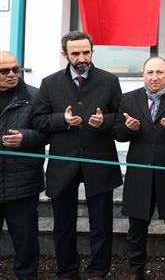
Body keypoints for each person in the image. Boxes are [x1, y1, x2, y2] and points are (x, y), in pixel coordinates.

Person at [32, 31, 123, 280]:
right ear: (65, 55)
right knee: (63, 225)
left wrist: (105, 120)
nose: (82, 57)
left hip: (100, 163)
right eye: (76, 53)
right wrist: (61, 119)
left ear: (92, 51)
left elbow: (120, 118)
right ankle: (67, 271)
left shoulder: (109, 81)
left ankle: (98, 272)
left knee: (101, 224)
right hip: (63, 165)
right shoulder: (49, 83)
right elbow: (38, 120)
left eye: (86, 52)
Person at [113, 57, 165, 280]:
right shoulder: (129, 99)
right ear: (143, 74)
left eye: (159, 72)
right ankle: (135, 270)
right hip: (139, 174)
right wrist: (129, 129)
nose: (154, 77)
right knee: (136, 228)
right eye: (150, 72)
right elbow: (118, 133)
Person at [0, 51, 47, 280]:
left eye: (15, 69)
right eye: (4, 71)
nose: (12, 75)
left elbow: (46, 133)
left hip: (22, 183)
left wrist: (25, 138)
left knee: (26, 242)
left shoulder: (35, 96)